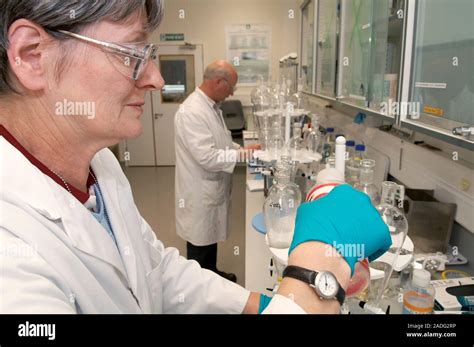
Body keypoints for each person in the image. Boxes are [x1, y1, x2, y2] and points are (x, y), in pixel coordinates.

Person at [0, 0, 391, 314]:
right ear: (33, 56)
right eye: (131, 53)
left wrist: (263, 304)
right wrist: (312, 275)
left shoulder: (101, 166)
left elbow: (159, 272)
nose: (154, 78)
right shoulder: (10, 254)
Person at [174, 60, 257, 282]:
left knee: (209, 237)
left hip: (210, 188)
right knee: (199, 242)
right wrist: (241, 155)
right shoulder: (192, 112)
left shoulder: (211, 107)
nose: (232, 93)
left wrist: (244, 150)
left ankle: (212, 274)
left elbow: (223, 142)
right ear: (219, 82)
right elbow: (207, 157)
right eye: (232, 87)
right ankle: (199, 290)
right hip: (199, 191)